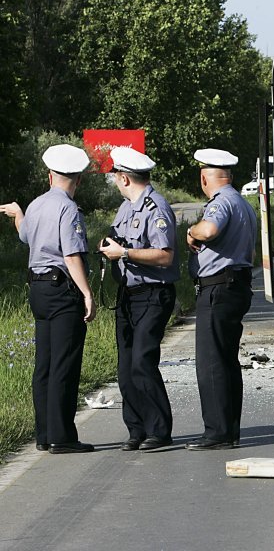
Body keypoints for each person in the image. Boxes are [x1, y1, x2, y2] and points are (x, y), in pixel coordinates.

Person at [0, 144, 96, 454]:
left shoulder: (37, 204)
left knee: (44, 364)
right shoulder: (68, 209)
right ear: (77, 179)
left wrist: (19, 215)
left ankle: (43, 434)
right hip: (61, 290)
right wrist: (87, 293)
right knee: (64, 364)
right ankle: (62, 436)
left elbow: (26, 236)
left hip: (38, 290)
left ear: (49, 175)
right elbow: (71, 255)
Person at [98, 147, 179, 451]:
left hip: (153, 293)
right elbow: (119, 238)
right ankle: (137, 429)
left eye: (116, 177)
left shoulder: (155, 208)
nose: (115, 182)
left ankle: (159, 430)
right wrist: (109, 246)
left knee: (142, 362)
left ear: (124, 177)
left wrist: (126, 253)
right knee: (125, 367)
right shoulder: (126, 207)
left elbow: (165, 256)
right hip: (128, 294)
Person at [185, 148, 256, 450]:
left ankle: (216, 432)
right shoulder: (242, 203)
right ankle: (229, 430)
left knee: (211, 363)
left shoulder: (221, 203)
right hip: (235, 286)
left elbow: (210, 229)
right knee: (227, 362)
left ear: (204, 177)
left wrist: (191, 230)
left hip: (218, 288)